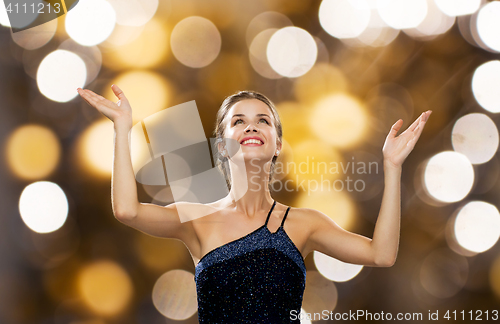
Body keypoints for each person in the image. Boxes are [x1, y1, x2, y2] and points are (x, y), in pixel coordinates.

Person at [77, 85, 431, 323]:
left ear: (277, 143)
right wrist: (122, 129)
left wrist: (392, 167)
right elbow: (127, 210)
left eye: (263, 120)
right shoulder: (197, 219)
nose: (252, 126)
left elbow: (381, 254)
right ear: (221, 146)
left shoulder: (305, 223)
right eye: (238, 121)